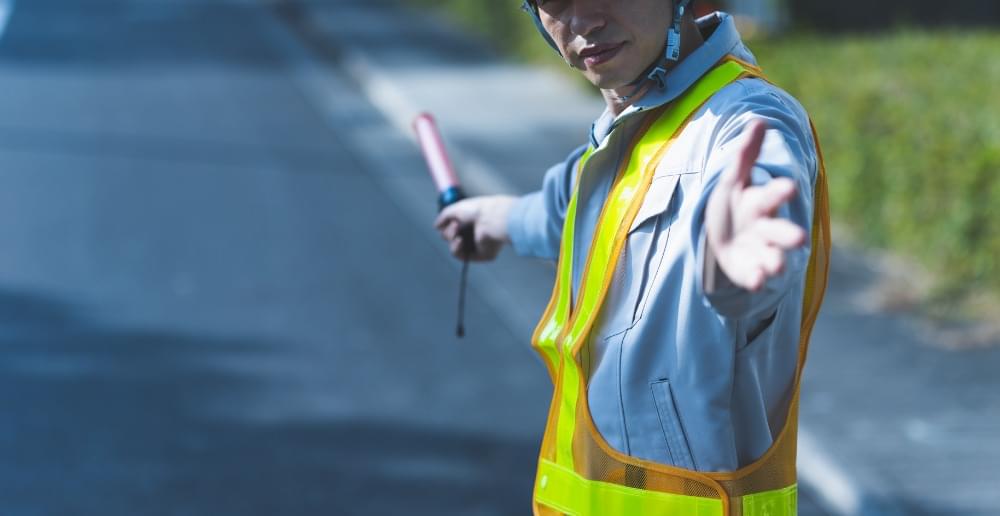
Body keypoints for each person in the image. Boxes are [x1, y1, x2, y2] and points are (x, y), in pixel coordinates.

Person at [434, 1, 830, 514]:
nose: (584, 22)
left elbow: (756, 223)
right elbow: (568, 207)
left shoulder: (747, 120)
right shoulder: (633, 124)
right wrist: (494, 218)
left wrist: (736, 264)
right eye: (554, 2)